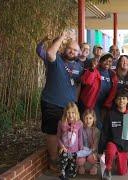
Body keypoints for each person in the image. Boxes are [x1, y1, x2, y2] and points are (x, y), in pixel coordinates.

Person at [41, 31, 83, 171]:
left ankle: (65, 160)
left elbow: (78, 85)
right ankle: (53, 161)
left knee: (66, 132)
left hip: (69, 107)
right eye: (70, 48)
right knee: (53, 132)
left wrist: (75, 102)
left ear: (78, 53)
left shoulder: (79, 67)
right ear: (65, 48)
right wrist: (62, 37)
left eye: (75, 50)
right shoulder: (56, 59)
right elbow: (50, 53)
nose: (72, 51)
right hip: (52, 103)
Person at [98, 90, 128, 179]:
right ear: (116, 101)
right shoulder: (110, 114)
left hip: (124, 144)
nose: (121, 101)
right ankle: (107, 169)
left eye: (124, 99)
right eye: (119, 99)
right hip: (112, 142)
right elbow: (104, 132)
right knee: (110, 149)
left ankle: (117, 160)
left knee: (122, 172)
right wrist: (101, 149)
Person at [79, 53, 118, 130]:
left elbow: (113, 91)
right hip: (91, 103)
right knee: (96, 126)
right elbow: (85, 81)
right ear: (100, 61)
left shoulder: (112, 74)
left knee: (102, 126)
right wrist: (92, 69)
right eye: (105, 60)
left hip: (103, 104)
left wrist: (107, 105)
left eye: (110, 61)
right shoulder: (94, 70)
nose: (107, 63)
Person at [57, 102, 83, 179]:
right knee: (64, 158)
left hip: (74, 150)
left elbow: (80, 137)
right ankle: (62, 172)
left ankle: (70, 170)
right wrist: (62, 146)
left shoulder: (79, 124)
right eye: (68, 113)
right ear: (65, 113)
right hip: (64, 149)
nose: (71, 115)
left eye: (73, 113)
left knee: (72, 174)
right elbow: (58, 137)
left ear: (76, 113)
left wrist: (80, 148)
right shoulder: (61, 123)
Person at [76, 109, 100, 175]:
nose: (88, 121)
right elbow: (78, 142)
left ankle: (94, 166)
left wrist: (92, 152)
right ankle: (81, 166)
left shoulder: (96, 131)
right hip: (82, 150)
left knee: (92, 158)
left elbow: (95, 145)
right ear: (83, 118)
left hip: (92, 151)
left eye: (90, 118)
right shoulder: (80, 129)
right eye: (86, 118)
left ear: (93, 119)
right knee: (80, 160)